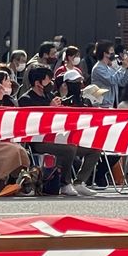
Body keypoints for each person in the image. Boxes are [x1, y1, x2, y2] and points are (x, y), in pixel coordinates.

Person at [19, 65, 100, 196]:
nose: (50, 83)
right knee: (70, 149)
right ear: (37, 82)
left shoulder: (49, 95)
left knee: (94, 149)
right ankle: (65, 183)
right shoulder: (26, 99)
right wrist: (49, 107)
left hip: (58, 137)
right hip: (39, 141)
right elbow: (32, 123)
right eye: (47, 80)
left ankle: (79, 182)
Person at [0, 71, 30, 190]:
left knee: (20, 150)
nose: (10, 83)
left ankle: (11, 180)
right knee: (15, 149)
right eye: (7, 80)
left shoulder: (9, 101)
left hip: (8, 137)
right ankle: (1, 179)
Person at [91, 40, 128, 107]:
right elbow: (112, 81)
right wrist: (123, 67)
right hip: (102, 105)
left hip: (112, 103)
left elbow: (123, 82)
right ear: (105, 53)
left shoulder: (110, 68)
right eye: (111, 50)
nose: (113, 52)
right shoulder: (98, 68)